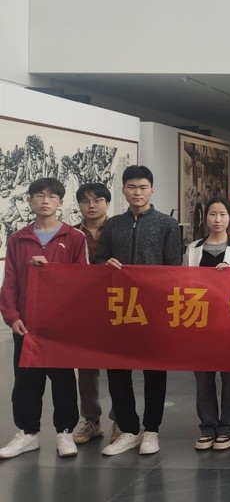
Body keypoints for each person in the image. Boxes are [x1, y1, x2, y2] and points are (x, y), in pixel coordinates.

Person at [95, 165, 183, 456]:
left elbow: (174, 268)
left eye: (143, 187)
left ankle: (151, 430)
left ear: (152, 190)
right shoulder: (113, 225)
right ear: (123, 190)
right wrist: (106, 264)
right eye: (131, 187)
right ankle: (129, 429)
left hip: (154, 308)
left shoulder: (167, 225)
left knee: (154, 371)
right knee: (117, 370)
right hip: (120, 307)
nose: (137, 192)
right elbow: (99, 259)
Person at [0, 178, 88, 459]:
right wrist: (11, 316)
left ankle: (65, 431)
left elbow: (82, 281)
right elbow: (10, 281)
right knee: (26, 380)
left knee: (63, 379)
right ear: (30, 201)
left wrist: (52, 270)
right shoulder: (18, 239)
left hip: (59, 325)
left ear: (60, 202)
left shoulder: (74, 238)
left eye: (51, 196)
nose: (45, 201)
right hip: (26, 324)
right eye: (39, 195)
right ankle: (28, 433)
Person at [187, 197, 230, 451]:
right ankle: (207, 427)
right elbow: (184, 283)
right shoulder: (193, 248)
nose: (217, 219)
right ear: (206, 218)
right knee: (203, 377)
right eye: (213, 214)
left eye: (222, 214)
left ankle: (228, 427)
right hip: (200, 319)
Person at [72, 182, 115, 446]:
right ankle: (91, 420)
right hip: (84, 307)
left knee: (119, 364)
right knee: (86, 365)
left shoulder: (119, 228)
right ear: (79, 205)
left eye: (97, 200)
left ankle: (121, 419)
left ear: (107, 203)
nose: (91, 205)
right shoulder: (70, 234)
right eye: (85, 201)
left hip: (116, 303)